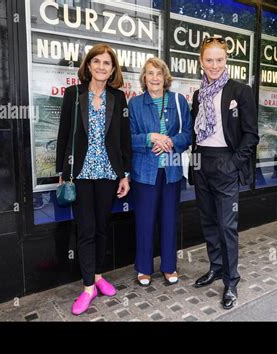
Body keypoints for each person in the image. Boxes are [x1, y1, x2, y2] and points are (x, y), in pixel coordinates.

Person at [56, 44, 131, 315]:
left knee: (101, 227)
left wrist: (125, 175)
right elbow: (63, 135)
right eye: (96, 62)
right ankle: (88, 286)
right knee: (85, 229)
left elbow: (123, 140)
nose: (101, 67)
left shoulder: (118, 98)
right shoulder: (73, 95)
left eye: (107, 63)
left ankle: (98, 275)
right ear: (88, 66)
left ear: (113, 69)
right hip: (81, 174)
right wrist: (62, 173)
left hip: (109, 174)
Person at [191, 37, 259, 309]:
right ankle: (216, 267)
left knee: (226, 226)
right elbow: (195, 134)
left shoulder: (240, 92)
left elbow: (251, 135)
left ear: (227, 60)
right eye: (209, 59)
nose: (214, 65)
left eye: (219, 59)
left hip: (225, 163)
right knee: (208, 222)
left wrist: (233, 163)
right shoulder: (198, 94)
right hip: (201, 162)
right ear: (201, 61)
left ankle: (231, 282)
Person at [129, 57, 192, 286]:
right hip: (144, 172)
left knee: (169, 220)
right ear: (144, 78)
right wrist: (150, 138)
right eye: (150, 73)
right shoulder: (135, 104)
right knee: (145, 221)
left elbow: (188, 134)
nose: (155, 78)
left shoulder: (178, 101)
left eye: (159, 73)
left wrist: (171, 141)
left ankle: (169, 266)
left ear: (165, 77)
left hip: (172, 171)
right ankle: (144, 268)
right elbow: (127, 137)